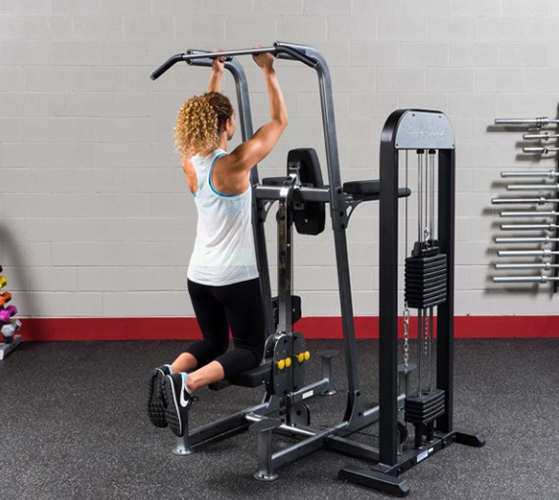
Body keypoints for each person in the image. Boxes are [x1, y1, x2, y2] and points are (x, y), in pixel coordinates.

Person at [147, 47, 288, 438]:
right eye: (231, 122)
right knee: (247, 348)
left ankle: (170, 370)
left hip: (199, 275)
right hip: (234, 276)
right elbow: (279, 120)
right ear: (226, 123)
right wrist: (268, 71)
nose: (235, 128)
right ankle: (187, 385)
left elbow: (207, 121)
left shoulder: (190, 162)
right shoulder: (236, 163)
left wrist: (216, 74)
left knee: (212, 340)